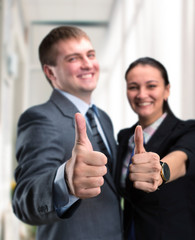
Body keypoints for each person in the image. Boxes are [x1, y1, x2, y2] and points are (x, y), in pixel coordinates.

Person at [12, 26, 123, 240]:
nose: (88, 64)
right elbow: (24, 199)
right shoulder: (40, 118)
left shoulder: (103, 119)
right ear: (50, 72)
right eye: (73, 59)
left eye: (90, 55)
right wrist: (66, 182)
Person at [116, 57, 195, 240]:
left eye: (151, 86)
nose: (142, 94)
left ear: (166, 90)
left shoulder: (189, 130)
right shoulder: (124, 137)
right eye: (133, 87)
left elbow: (182, 159)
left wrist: (160, 171)